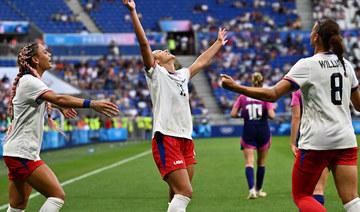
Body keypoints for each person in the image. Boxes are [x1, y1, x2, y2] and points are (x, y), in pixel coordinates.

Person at [221, 18, 360, 212]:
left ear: (317, 37)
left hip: (317, 142)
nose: (310, 34)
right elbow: (359, 105)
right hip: (345, 139)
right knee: (352, 199)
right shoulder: (345, 64)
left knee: (302, 196)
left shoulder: (307, 65)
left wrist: (237, 87)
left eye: (312, 31)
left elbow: (273, 94)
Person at [122, 0, 227, 211]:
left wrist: (217, 43)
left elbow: (200, 62)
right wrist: (133, 11)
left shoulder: (181, 75)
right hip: (166, 137)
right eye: (160, 51)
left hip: (186, 139)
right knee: (186, 192)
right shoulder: (155, 74)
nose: (164, 50)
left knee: (176, 194)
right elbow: (144, 44)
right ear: (157, 61)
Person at [3, 42, 119, 212]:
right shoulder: (30, 82)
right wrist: (91, 103)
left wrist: (59, 106)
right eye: (45, 52)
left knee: (17, 206)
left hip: (17, 152)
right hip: (22, 154)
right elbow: (58, 98)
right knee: (57, 196)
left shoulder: (29, 81)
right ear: (35, 59)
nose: (49, 54)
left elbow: (47, 101)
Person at [230, 72, 275, 199]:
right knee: (261, 162)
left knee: (249, 162)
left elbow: (233, 114)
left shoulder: (243, 96)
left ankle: (251, 190)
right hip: (263, 129)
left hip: (248, 128)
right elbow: (272, 115)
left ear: (252, 82)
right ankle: (260, 190)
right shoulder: (265, 94)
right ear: (261, 83)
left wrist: (244, 116)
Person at [290, 90, 330, 206]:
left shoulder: (298, 90)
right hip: (335, 136)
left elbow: (296, 117)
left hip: (310, 138)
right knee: (349, 197)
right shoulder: (327, 82)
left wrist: (292, 142)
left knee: (304, 194)